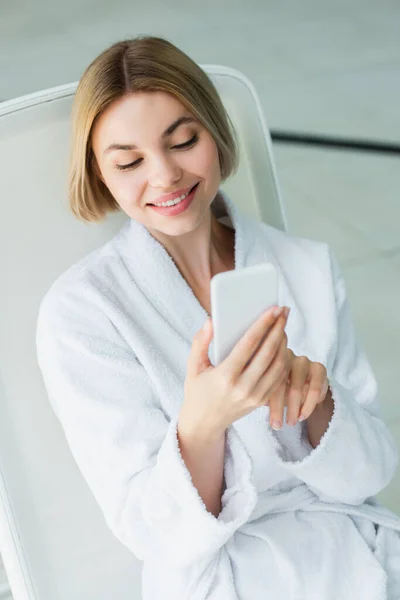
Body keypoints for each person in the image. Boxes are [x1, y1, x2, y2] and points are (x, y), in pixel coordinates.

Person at [36, 36, 400, 599]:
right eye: (129, 161)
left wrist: (321, 406)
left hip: (357, 555)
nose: (164, 176)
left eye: (183, 141)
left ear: (214, 132)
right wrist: (202, 425)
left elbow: (371, 473)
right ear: (99, 174)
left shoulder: (306, 265)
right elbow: (152, 531)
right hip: (221, 581)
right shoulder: (83, 313)